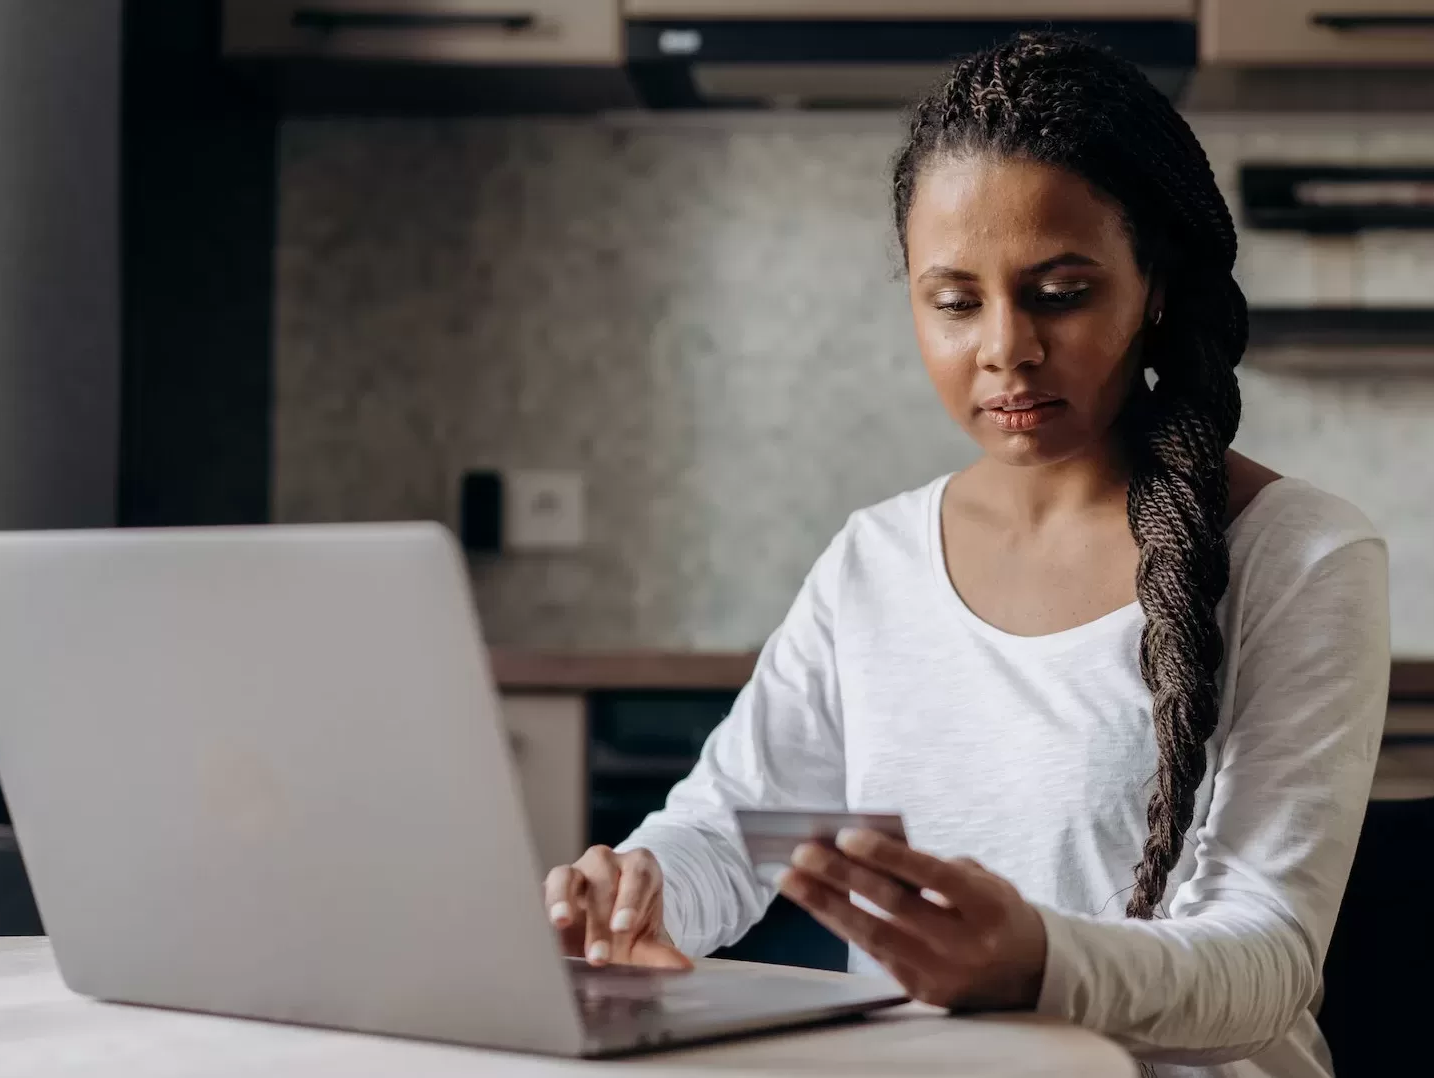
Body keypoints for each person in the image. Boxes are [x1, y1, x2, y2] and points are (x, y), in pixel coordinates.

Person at [542, 31, 1390, 1077]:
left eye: (1061, 292)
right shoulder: (875, 562)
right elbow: (735, 831)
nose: (1005, 347)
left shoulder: (1297, 554)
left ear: (1153, 286)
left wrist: (1037, 960)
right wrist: (636, 886)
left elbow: (1266, 965)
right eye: (954, 301)